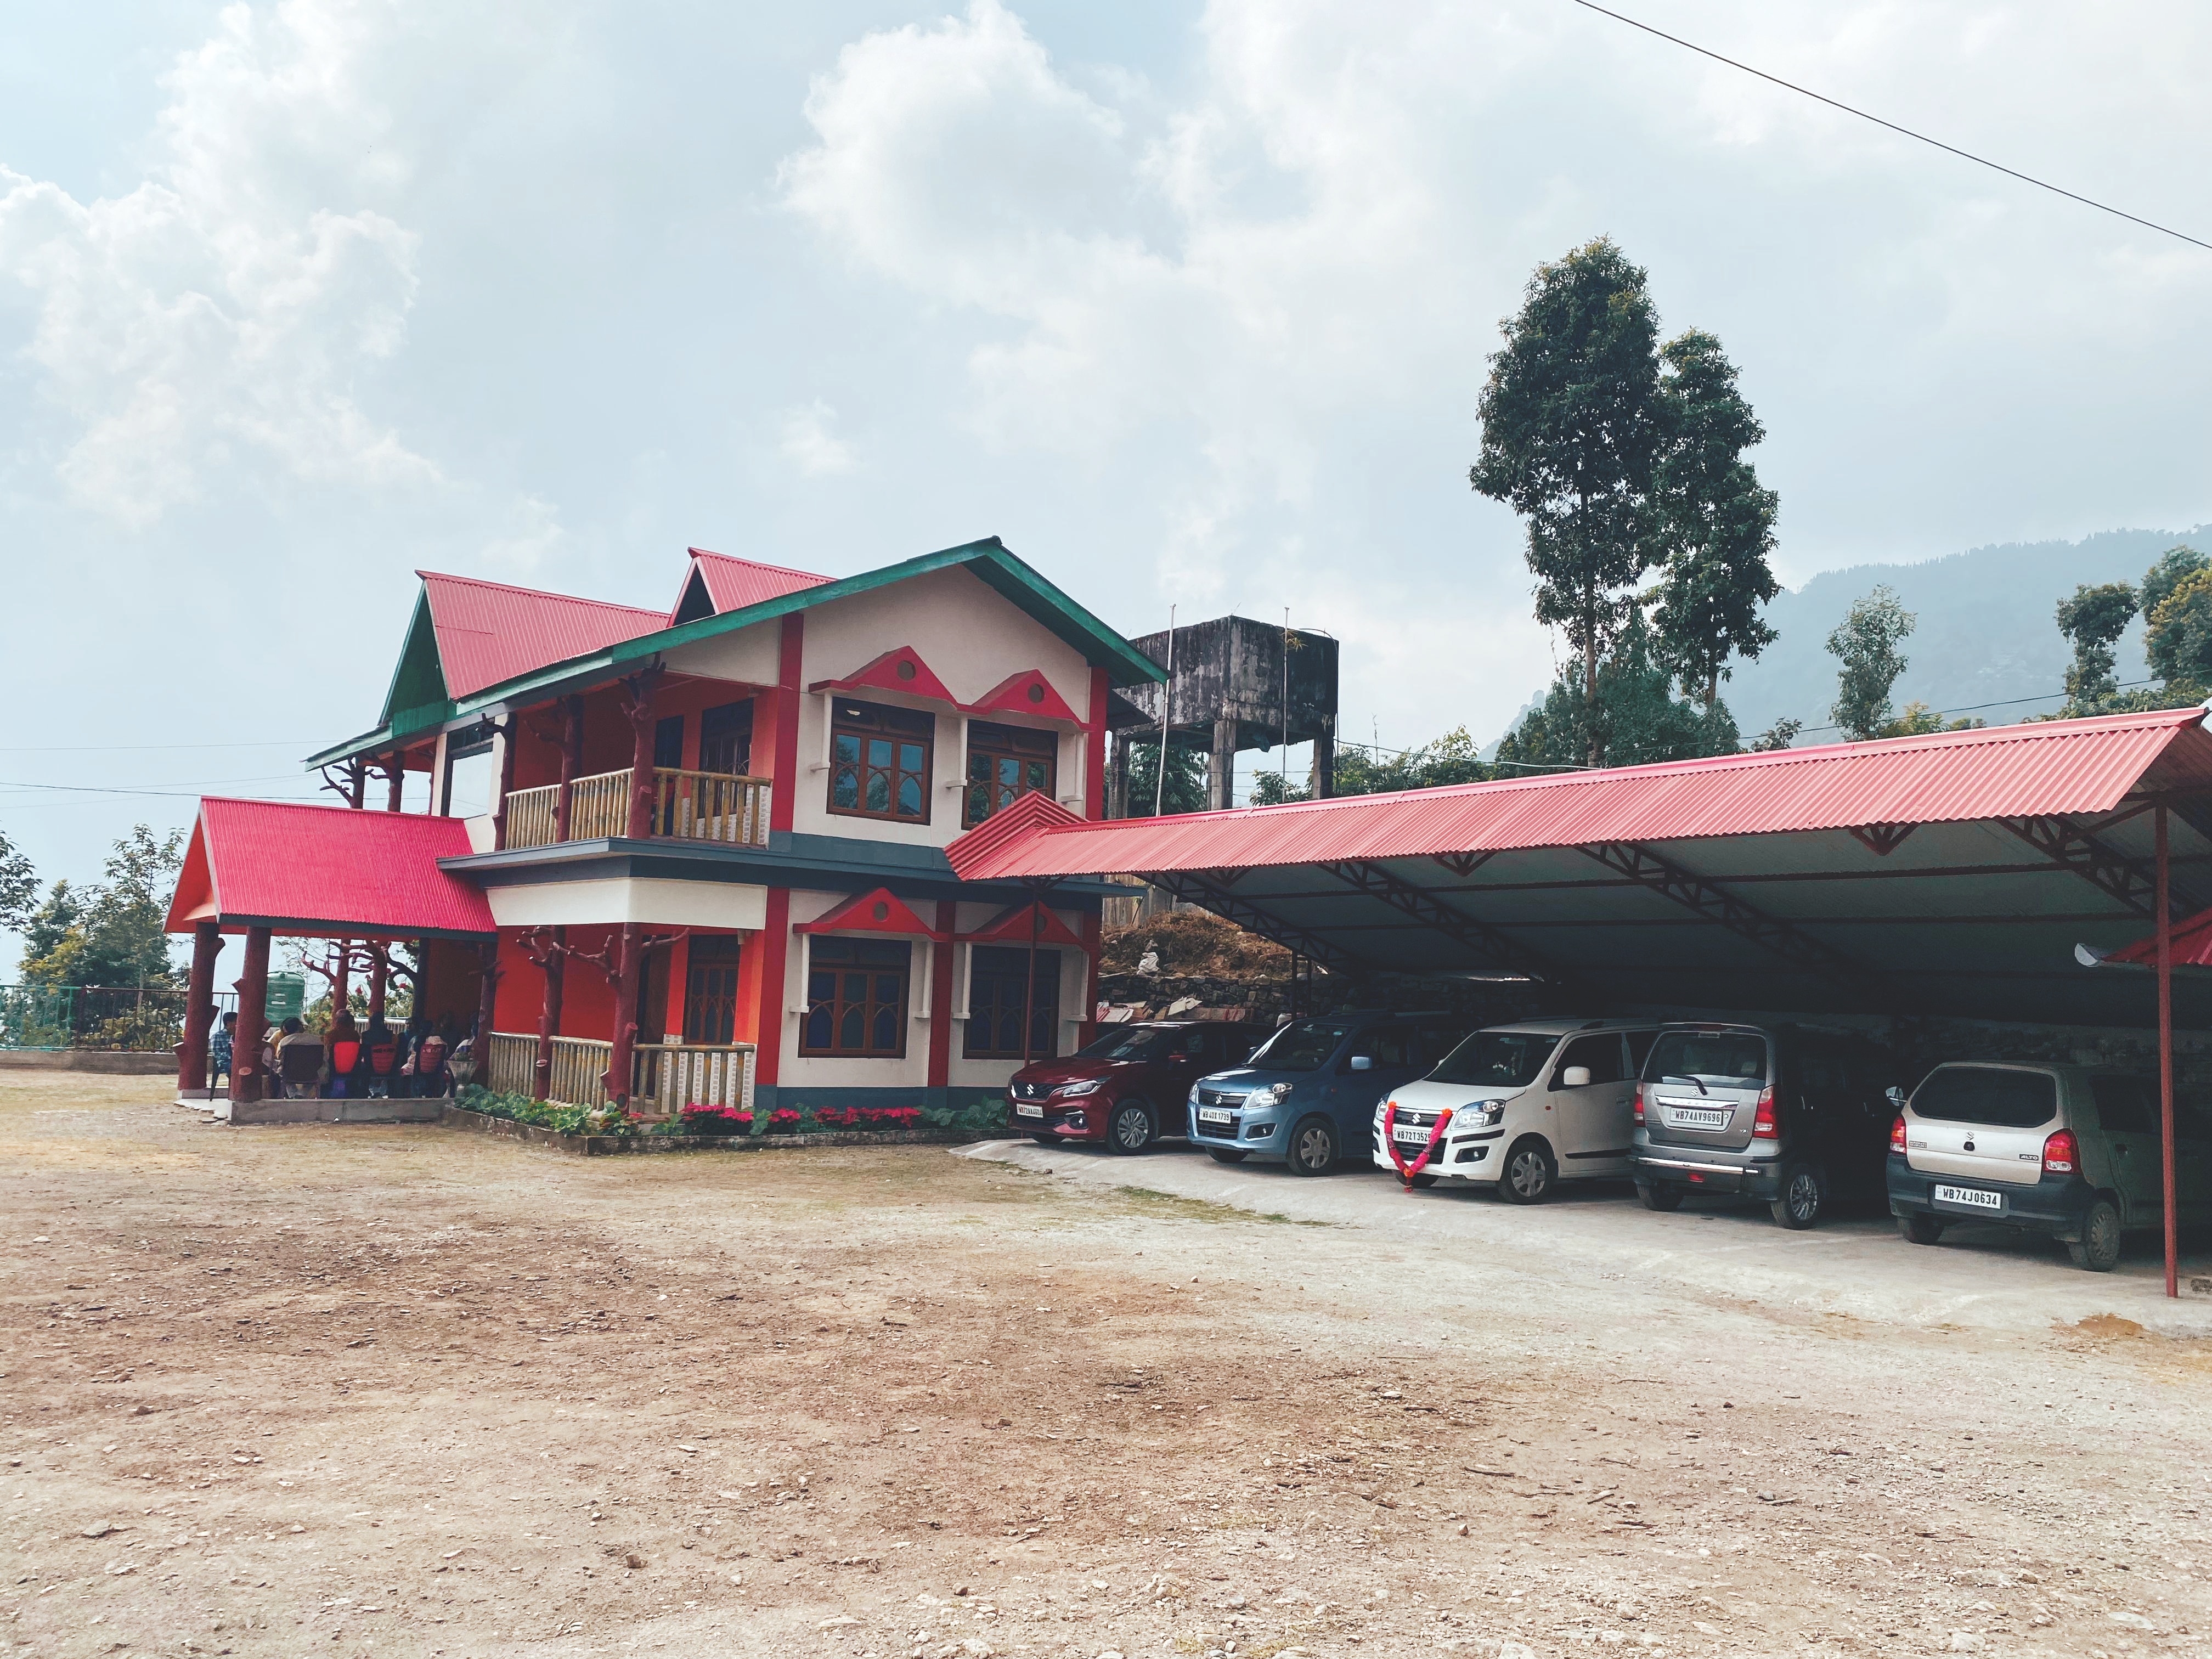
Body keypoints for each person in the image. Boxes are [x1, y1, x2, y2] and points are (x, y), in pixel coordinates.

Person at [276, 1017, 324, 1099]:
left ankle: (294, 1095)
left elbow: (280, 1057)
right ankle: (302, 1094)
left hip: (290, 1073)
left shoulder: (284, 1042)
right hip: (312, 1073)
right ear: (300, 1027)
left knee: (282, 1070)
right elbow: (325, 1057)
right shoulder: (318, 1041)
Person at [324, 1011, 363, 1098]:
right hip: (353, 1067)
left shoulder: (330, 1036)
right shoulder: (355, 1035)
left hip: (334, 1067)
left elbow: (327, 1054)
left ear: (336, 1022)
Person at [362, 1016, 402, 1099]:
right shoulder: (391, 1036)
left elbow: (364, 1053)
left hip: (370, 1068)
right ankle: (392, 1092)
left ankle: (363, 1092)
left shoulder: (366, 1035)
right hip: (390, 1068)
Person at [410, 1031, 454, 1099]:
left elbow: (412, 1057)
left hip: (421, 1072)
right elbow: (446, 1057)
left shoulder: (420, 1042)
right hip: (436, 1073)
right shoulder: (443, 1044)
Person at [209, 1011, 236, 1090]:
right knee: (234, 1068)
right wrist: (231, 1056)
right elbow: (216, 1053)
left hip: (237, 1060)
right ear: (228, 1023)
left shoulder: (238, 1036)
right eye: (236, 1022)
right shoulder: (217, 1036)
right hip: (225, 1062)